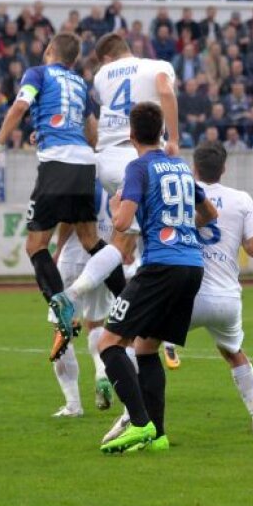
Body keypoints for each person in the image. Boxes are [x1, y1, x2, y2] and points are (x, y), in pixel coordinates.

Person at [94, 102, 218, 454]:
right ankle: (158, 434)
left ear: (131, 136)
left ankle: (138, 423)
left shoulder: (137, 167)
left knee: (109, 343)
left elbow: (121, 223)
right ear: (162, 132)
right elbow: (210, 214)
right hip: (191, 266)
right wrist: (178, 230)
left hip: (161, 266)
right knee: (146, 347)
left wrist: (117, 202)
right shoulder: (180, 166)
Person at [0, 33, 98, 359]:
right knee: (90, 241)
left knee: (35, 245)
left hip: (56, 162)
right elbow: (92, 131)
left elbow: (19, 106)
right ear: (75, 59)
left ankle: (62, 308)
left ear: (50, 51)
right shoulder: (82, 84)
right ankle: (126, 294)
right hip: (85, 163)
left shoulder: (38, 73)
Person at [63, 33, 183, 365]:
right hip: (140, 157)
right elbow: (165, 90)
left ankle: (74, 292)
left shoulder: (101, 77)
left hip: (107, 162)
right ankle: (158, 326)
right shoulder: (156, 66)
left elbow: (95, 119)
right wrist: (173, 138)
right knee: (160, 240)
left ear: (104, 59)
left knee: (123, 242)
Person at [187, 142, 253, 442]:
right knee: (234, 353)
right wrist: (242, 242)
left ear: (194, 168)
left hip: (187, 294)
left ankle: (132, 417)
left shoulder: (181, 193)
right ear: (223, 169)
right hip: (226, 299)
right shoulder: (241, 199)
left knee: (140, 345)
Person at [48, 179, 136, 417]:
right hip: (104, 261)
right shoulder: (120, 182)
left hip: (74, 260)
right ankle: (101, 370)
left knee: (62, 330)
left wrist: (57, 250)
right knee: (96, 324)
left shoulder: (82, 179)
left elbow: (68, 220)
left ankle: (73, 405)